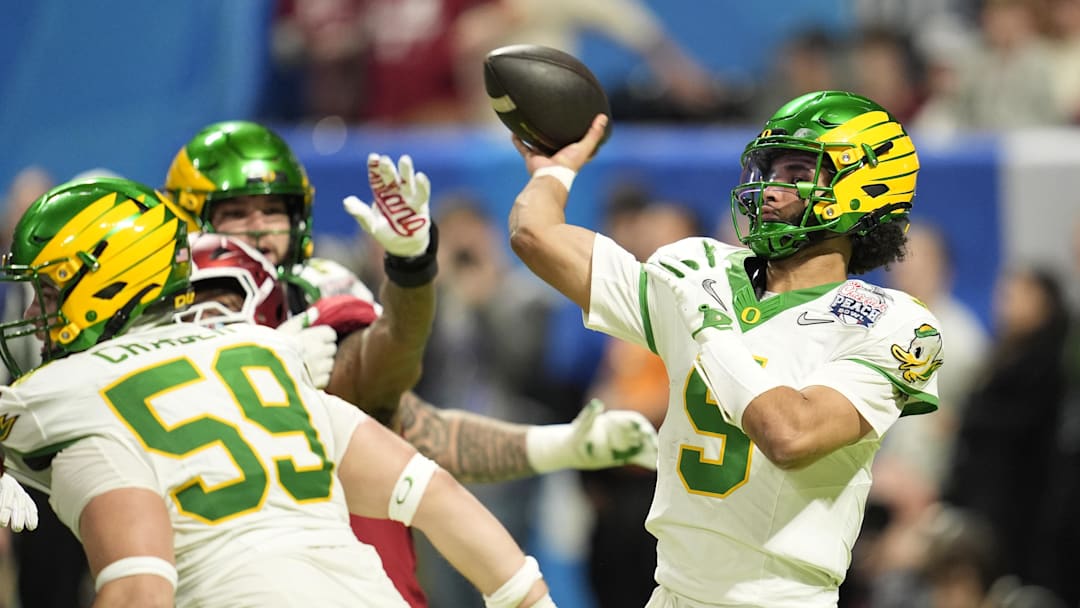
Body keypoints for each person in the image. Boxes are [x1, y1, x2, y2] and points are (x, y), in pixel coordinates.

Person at [0, 176, 559, 607]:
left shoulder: (60, 392)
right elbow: (433, 494)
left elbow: (139, 588)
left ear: (106, 285)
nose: (31, 312)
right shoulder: (263, 350)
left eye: (46, 292)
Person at [165, 120, 657, 606]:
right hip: (224, 569)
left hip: (351, 569)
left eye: (273, 210)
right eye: (236, 213)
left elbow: (410, 426)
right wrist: (260, 369)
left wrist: (560, 445)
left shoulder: (323, 296)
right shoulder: (160, 325)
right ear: (192, 222)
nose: (260, 229)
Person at [506, 90, 945, 607]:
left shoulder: (895, 323)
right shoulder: (703, 270)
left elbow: (790, 434)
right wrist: (554, 172)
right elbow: (535, 235)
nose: (772, 191)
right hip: (669, 590)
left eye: (800, 173)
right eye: (771, 169)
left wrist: (708, 322)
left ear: (863, 190)